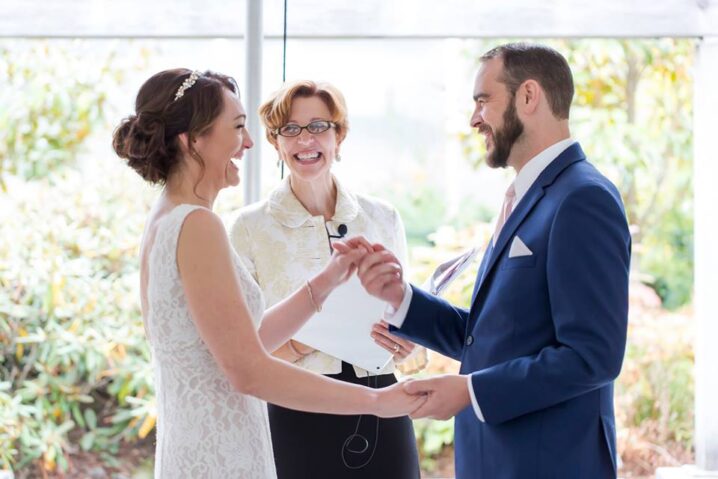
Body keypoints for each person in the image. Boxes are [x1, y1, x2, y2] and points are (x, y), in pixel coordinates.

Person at [112, 69, 426, 479]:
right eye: (238, 127)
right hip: (222, 450)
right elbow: (248, 369)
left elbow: (244, 339)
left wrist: (328, 279)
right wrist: (377, 402)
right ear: (193, 140)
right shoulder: (197, 225)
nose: (248, 142)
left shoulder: (168, 218)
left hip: (202, 443)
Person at [351, 43, 632, 478]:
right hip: (493, 460)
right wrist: (402, 299)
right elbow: (495, 336)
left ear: (528, 96)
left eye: (483, 100)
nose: (474, 118)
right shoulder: (524, 197)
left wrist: (469, 391)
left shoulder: (583, 198)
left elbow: (592, 355)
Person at [230, 80, 424, 478]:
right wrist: (303, 339)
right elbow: (241, 350)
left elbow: (406, 320)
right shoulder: (248, 228)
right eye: (291, 129)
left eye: (319, 126)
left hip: (381, 400)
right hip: (295, 410)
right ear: (276, 142)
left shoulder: (382, 217)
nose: (306, 140)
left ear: (339, 135)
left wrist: (406, 340)